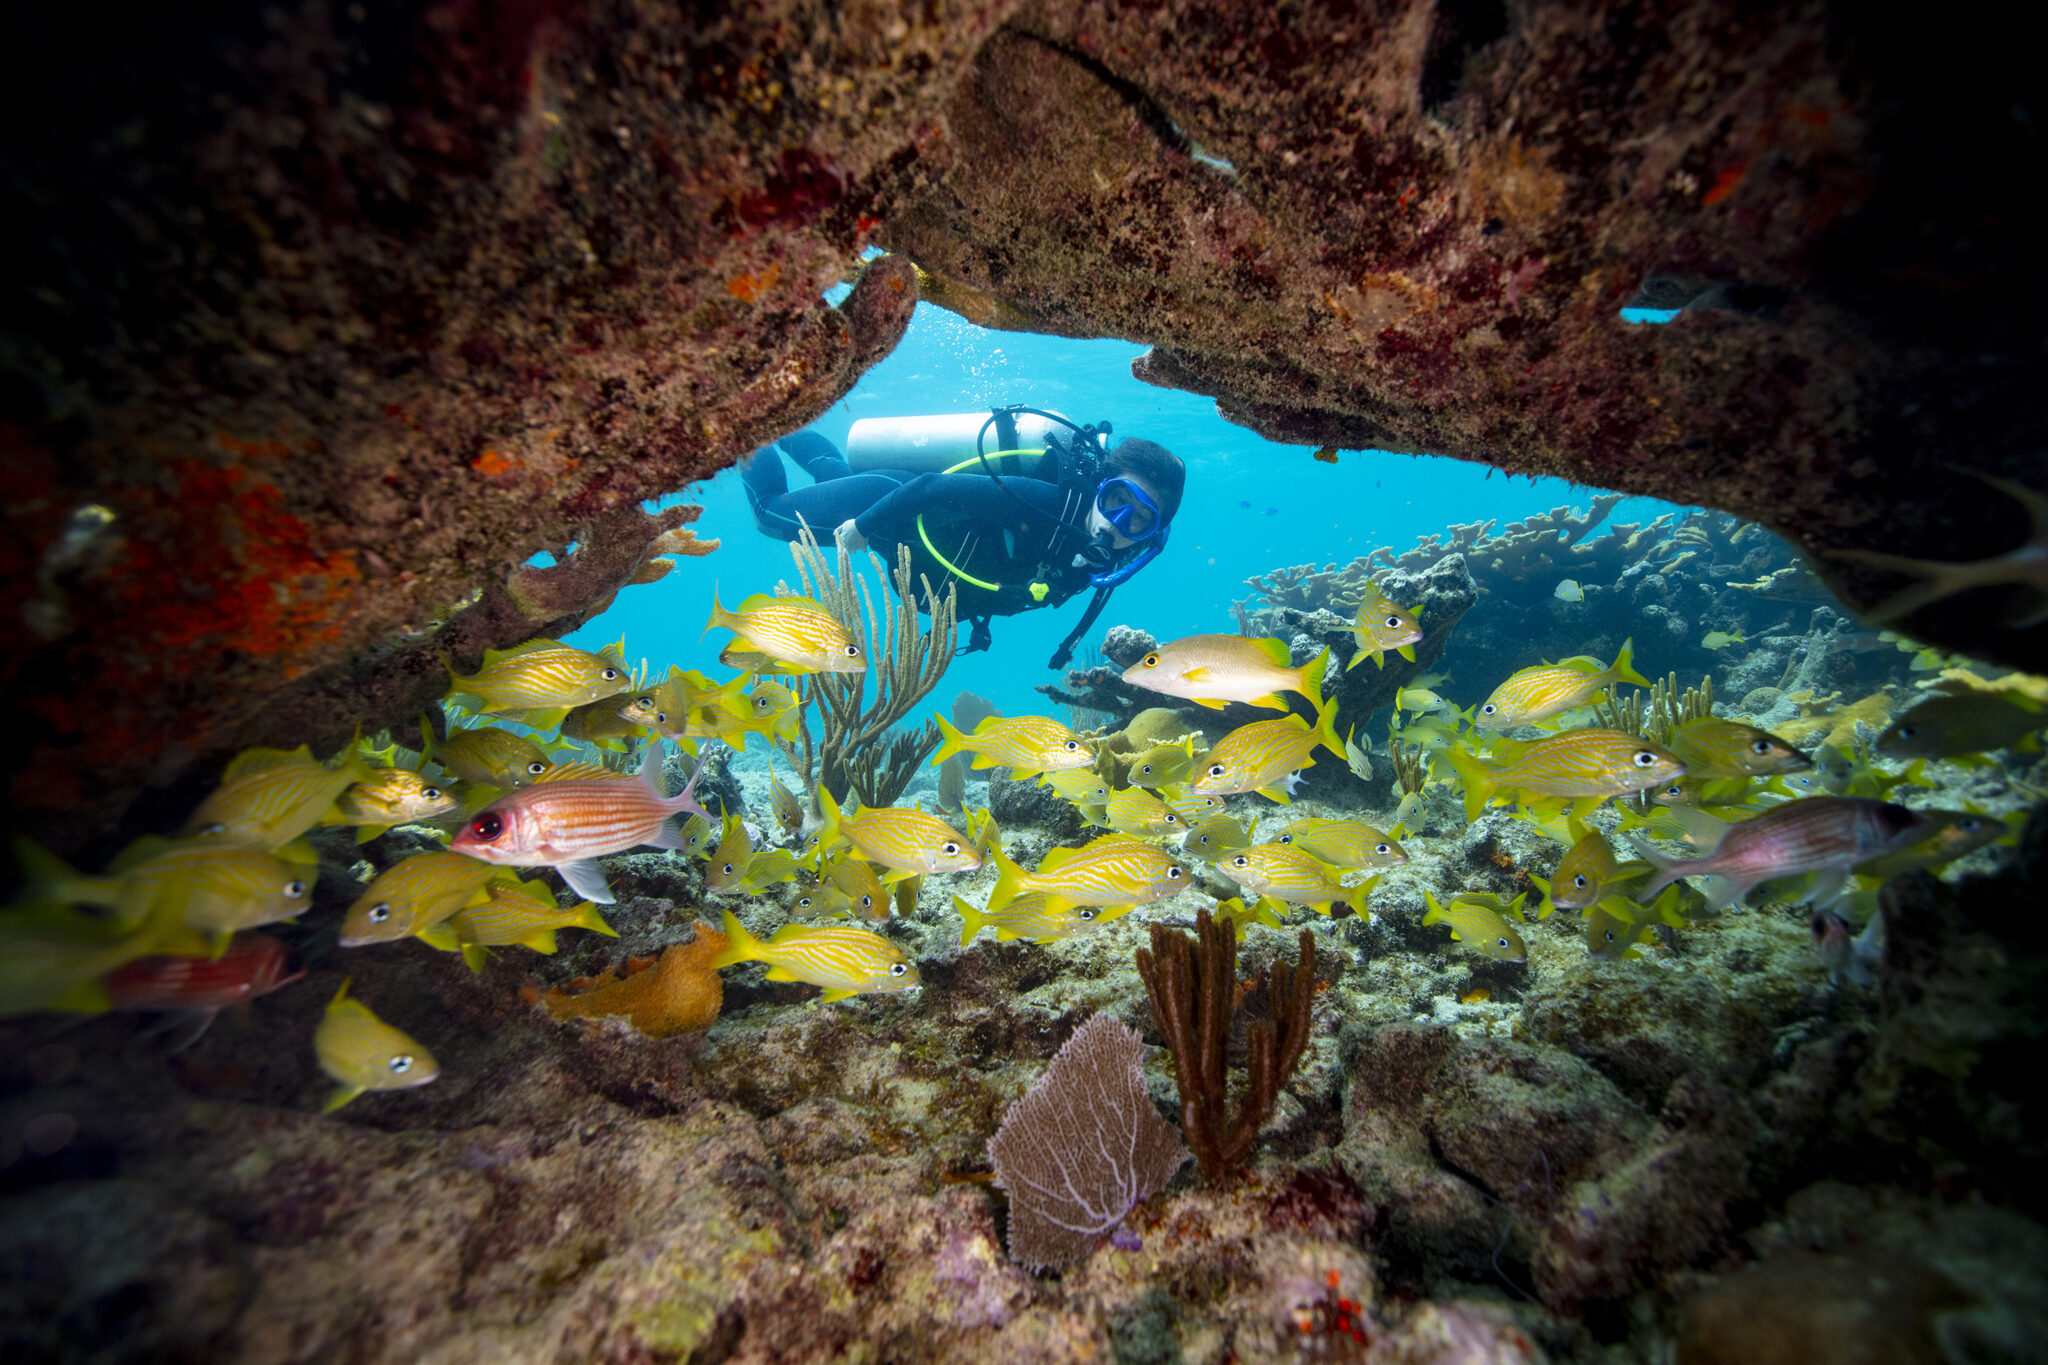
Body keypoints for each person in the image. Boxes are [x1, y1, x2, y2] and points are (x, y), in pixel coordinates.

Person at [740, 415, 1184, 668]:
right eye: (1116, 501)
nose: (1116, 524)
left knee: (834, 477)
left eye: (1139, 521)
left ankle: (779, 413)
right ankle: (745, 415)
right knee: (769, 514)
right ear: (1101, 487)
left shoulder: (1099, 567)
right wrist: (865, 526)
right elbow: (932, 486)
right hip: (893, 507)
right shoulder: (1046, 502)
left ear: (1150, 538)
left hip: (911, 551)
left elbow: (1010, 582)